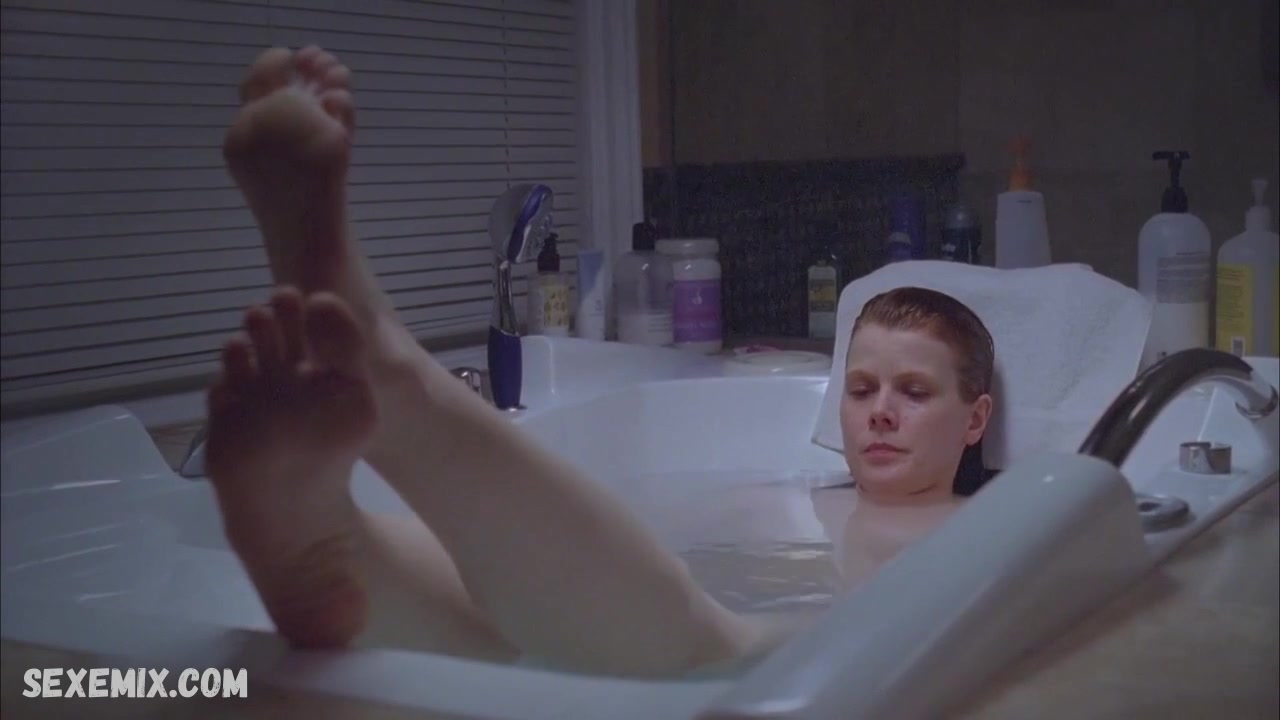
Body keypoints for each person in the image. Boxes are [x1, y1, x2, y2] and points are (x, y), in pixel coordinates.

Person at [205, 46, 994, 680]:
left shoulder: (984, 530)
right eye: (860, 388)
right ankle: (333, 544)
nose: (879, 410)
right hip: (620, 634)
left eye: (913, 391)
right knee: (517, 621)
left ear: (975, 419)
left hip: (774, 673)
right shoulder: (778, 495)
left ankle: (396, 401)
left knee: (716, 648)